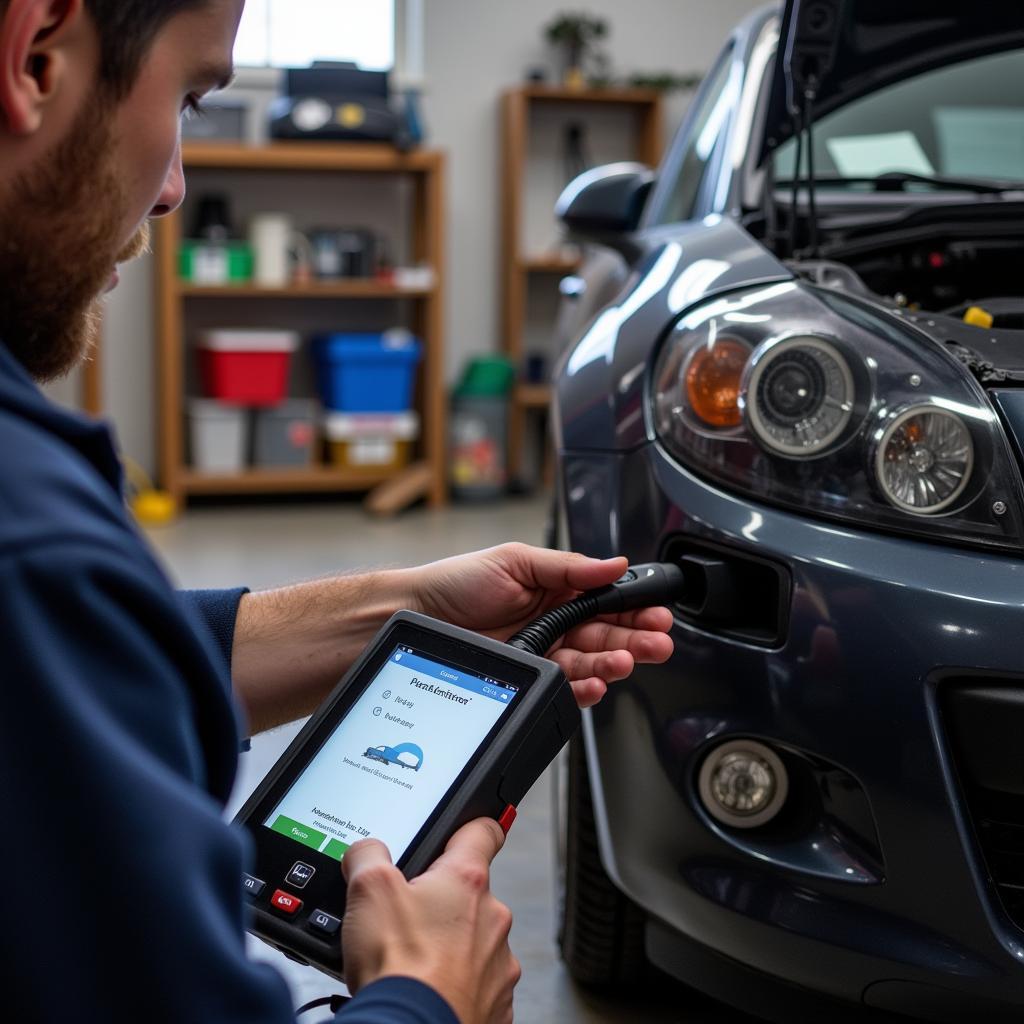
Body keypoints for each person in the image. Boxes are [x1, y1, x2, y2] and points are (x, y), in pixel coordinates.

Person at [0, 2, 675, 1022]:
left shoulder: (42, 585)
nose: (177, 187)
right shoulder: (33, 547)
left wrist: (401, 612)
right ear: (36, 52)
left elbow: (78, 657)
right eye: (188, 97)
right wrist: (423, 996)